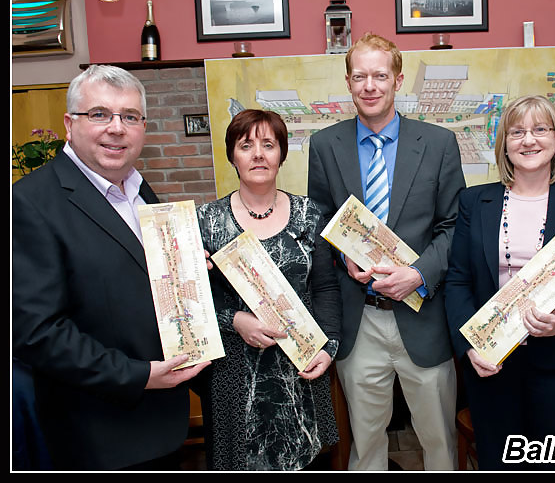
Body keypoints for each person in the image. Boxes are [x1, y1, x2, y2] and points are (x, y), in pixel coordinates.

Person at [12, 65, 210, 470]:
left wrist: (185, 270)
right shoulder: (29, 202)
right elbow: (37, 333)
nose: (116, 128)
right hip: (98, 434)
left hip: (162, 421)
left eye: (130, 116)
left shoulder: (140, 190)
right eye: (99, 114)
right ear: (70, 124)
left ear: (143, 128)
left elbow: (133, 274)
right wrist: (138, 375)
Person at [307, 32, 466, 471]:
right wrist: (343, 255)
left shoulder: (438, 144)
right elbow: (320, 224)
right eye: (360, 76)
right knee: (366, 442)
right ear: (348, 81)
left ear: (398, 80)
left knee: (438, 441)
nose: (370, 86)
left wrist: (418, 275)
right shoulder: (324, 145)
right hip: (360, 319)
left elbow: (455, 226)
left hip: (422, 314)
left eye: (380, 75)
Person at [444, 95, 555, 470]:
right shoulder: (475, 201)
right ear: (504, 143)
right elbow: (458, 281)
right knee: (498, 463)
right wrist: (470, 347)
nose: (529, 140)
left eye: (540, 129)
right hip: (492, 365)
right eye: (517, 132)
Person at [196, 109, 342, 471]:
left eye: (268, 144)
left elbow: (325, 287)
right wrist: (235, 321)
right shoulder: (207, 221)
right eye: (246, 145)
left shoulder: (309, 214)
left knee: (307, 462)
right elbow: (192, 304)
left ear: (282, 154)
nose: (258, 154)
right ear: (232, 155)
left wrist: (329, 347)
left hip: (299, 366)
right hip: (234, 372)